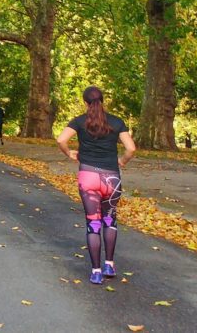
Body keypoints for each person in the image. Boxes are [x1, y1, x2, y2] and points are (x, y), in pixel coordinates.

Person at [56, 86, 135, 286]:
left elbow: (61, 139)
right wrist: (122, 161)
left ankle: (96, 272)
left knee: (93, 224)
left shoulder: (79, 121)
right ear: (103, 100)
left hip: (88, 177)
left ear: (85, 102)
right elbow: (131, 148)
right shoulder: (116, 122)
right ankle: (109, 264)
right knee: (110, 220)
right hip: (112, 179)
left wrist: (69, 153)